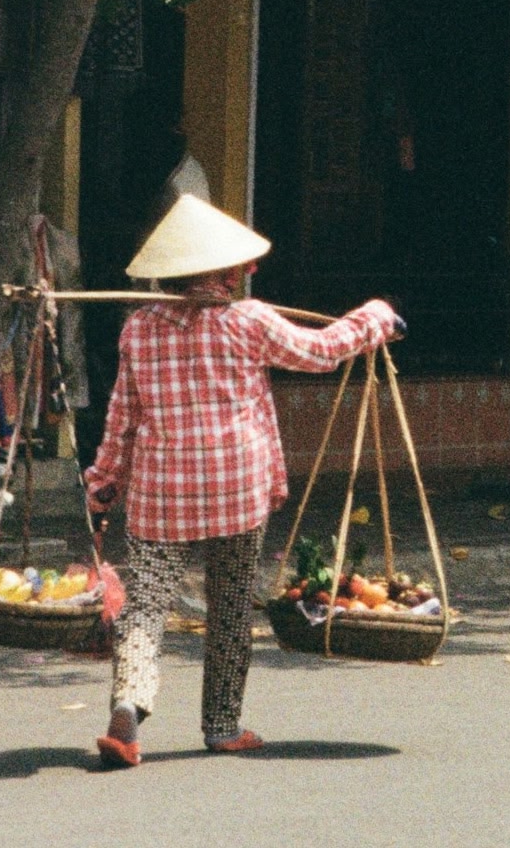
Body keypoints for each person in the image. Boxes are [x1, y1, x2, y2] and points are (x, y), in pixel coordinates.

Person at [83, 193, 405, 768]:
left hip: (164, 490)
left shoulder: (139, 329)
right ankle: (223, 725)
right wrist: (373, 318)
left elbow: (123, 417)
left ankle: (129, 707)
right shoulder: (248, 322)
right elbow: (323, 351)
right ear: (224, 274)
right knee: (229, 608)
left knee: (146, 607)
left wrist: (105, 478)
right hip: (236, 486)